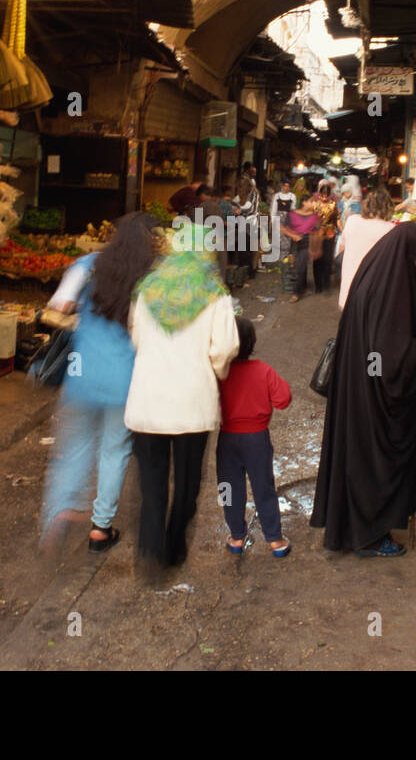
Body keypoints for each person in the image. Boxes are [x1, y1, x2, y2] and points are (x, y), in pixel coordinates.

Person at [312, 222, 416, 556]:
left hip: (362, 386)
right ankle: (370, 537)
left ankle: (361, 530)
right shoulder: (389, 284)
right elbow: (382, 350)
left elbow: (383, 327)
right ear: (405, 256)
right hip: (372, 393)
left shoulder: (379, 272)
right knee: (374, 460)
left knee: (362, 457)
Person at [41, 213, 160, 554]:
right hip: (125, 379)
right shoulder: (151, 277)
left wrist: (82, 312)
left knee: (74, 448)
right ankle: (100, 528)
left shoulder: (88, 264)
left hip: (81, 374)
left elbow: (58, 305)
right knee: (114, 451)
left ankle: (60, 509)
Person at [125, 225, 239, 572]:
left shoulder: (147, 291)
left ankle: (150, 546)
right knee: (187, 481)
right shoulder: (215, 294)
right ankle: (174, 547)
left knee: (152, 478)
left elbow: (136, 338)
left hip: (148, 399)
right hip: (192, 403)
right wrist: (214, 373)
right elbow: (225, 348)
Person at [217, 317, 292, 558]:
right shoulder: (264, 370)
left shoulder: (220, 373)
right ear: (252, 343)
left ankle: (237, 536)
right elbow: (284, 399)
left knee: (229, 487)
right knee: (264, 487)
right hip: (257, 439)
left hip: (227, 438)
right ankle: (275, 541)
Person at [337, 187, 396, 310]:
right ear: (388, 207)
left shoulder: (352, 221)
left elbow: (341, 250)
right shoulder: (390, 229)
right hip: (373, 296)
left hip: (348, 293)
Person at [278, 195, 319, 302]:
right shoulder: (292, 214)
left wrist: (316, 247)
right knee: (298, 265)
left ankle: (296, 292)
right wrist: (293, 235)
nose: (314, 204)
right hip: (295, 242)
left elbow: (317, 231)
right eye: (311, 201)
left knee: (301, 265)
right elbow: (283, 228)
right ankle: (303, 287)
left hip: (307, 241)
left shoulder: (315, 216)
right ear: (304, 202)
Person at [308, 180, 338, 294]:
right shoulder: (314, 205)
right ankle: (318, 285)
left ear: (329, 194)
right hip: (316, 234)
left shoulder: (333, 205)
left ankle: (326, 285)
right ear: (319, 194)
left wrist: (339, 230)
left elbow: (336, 219)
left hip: (329, 234)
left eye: (326, 195)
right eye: (322, 195)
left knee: (327, 259)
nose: (324, 198)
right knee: (317, 260)